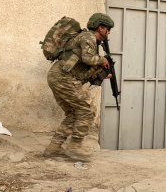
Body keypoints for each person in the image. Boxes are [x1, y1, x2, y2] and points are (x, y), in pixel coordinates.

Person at [43, 13, 114, 160]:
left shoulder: (88, 40)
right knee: (88, 109)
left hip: (60, 77)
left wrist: (101, 74)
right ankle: (75, 146)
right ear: (100, 28)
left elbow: (83, 69)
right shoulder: (88, 37)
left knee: (74, 113)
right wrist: (103, 60)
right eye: (107, 29)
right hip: (62, 78)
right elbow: (88, 59)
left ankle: (54, 148)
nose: (109, 32)